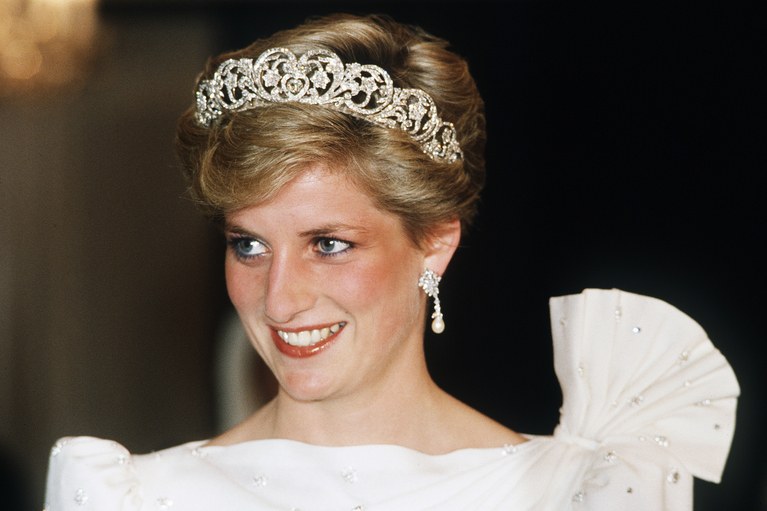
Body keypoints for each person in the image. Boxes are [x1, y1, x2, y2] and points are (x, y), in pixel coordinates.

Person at [43, 13, 740, 510]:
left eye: (328, 244)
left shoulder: (569, 492)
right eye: (248, 245)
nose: (279, 299)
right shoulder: (132, 496)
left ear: (433, 242)